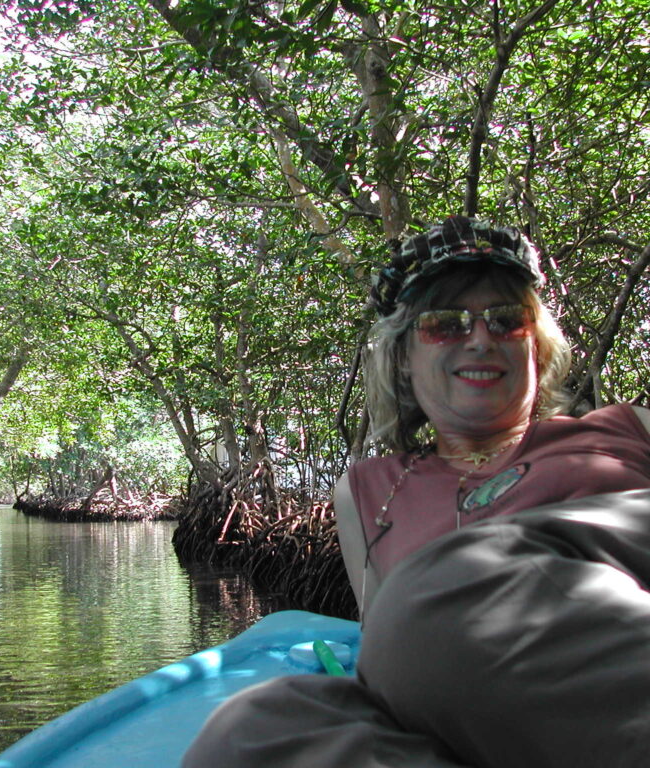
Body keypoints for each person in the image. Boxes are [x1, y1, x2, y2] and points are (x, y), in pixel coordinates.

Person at [183, 216, 650, 768]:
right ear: (404, 358)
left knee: (441, 588)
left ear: (538, 349)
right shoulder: (365, 493)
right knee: (253, 730)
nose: (480, 338)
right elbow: (391, 667)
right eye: (446, 324)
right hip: (487, 732)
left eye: (507, 321)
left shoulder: (628, 429)